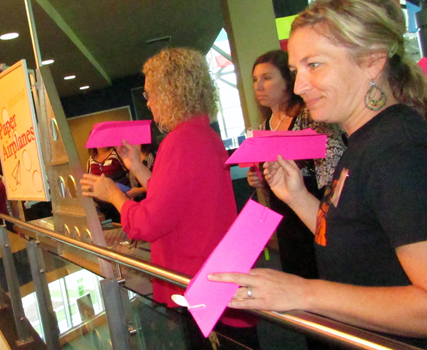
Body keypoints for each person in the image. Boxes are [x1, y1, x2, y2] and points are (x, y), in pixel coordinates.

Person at [208, 0, 427, 347]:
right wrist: (297, 197)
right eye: (297, 70)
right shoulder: (362, 140)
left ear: (372, 60)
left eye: (315, 65)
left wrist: (305, 292)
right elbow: (356, 240)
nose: (299, 87)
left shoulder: (397, 150)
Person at [81, 48, 255, 349]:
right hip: (213, 269)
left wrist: (113, 196)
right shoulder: (203, 134)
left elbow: (148, 223)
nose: (147, 101)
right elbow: (176, 199)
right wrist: (136, 166)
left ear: (171, 91)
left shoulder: (180, 141)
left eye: (150, 93)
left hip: (197, 276)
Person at [248, 50, 346, 279]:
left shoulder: (310, 117)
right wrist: (262, 181)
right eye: (254, 80)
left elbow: (333, 171)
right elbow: (276, 184)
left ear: (287, 82)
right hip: (286, 222)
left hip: (315, 213)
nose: (258, 86)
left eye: (267, 78)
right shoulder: (264, 126)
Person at [86, 146, 128, 222]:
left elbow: (129, 171)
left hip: (121, 196)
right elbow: (89, 180)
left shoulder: (116, 153)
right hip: (102, 204)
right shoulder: (90, 161)